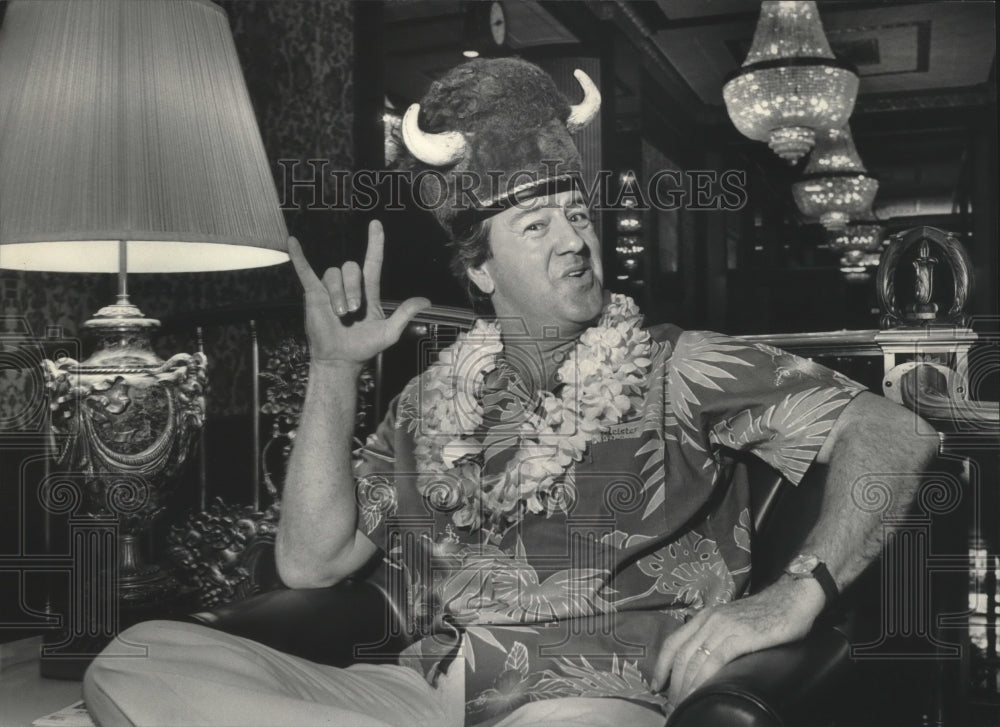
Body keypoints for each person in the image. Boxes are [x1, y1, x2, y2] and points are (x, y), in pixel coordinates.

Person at [84, 58, 938, 727]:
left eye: (579, 214)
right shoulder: (431, 401)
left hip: (590, 697)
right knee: (139, 658)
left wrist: (795, 595)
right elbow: (310, 561)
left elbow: (896, 435)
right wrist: (334, 369)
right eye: (539, 225)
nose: (576, 240)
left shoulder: (682, 364)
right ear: (481, 269)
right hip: (426, 691)